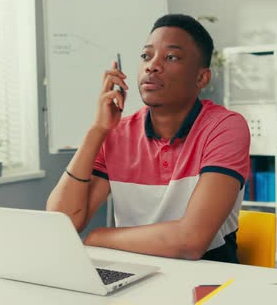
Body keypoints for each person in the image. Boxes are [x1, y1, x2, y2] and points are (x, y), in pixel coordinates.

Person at [46, 14, 250, 263]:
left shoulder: (225, 127)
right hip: (135, 273)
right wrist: (97, 130)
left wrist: (99, 236)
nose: (152, 66)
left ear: (201, 78)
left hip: (209, 281)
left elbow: (191, 242)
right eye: (146, 56)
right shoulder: (116, 133)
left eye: (171, 57)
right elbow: (62, 221)